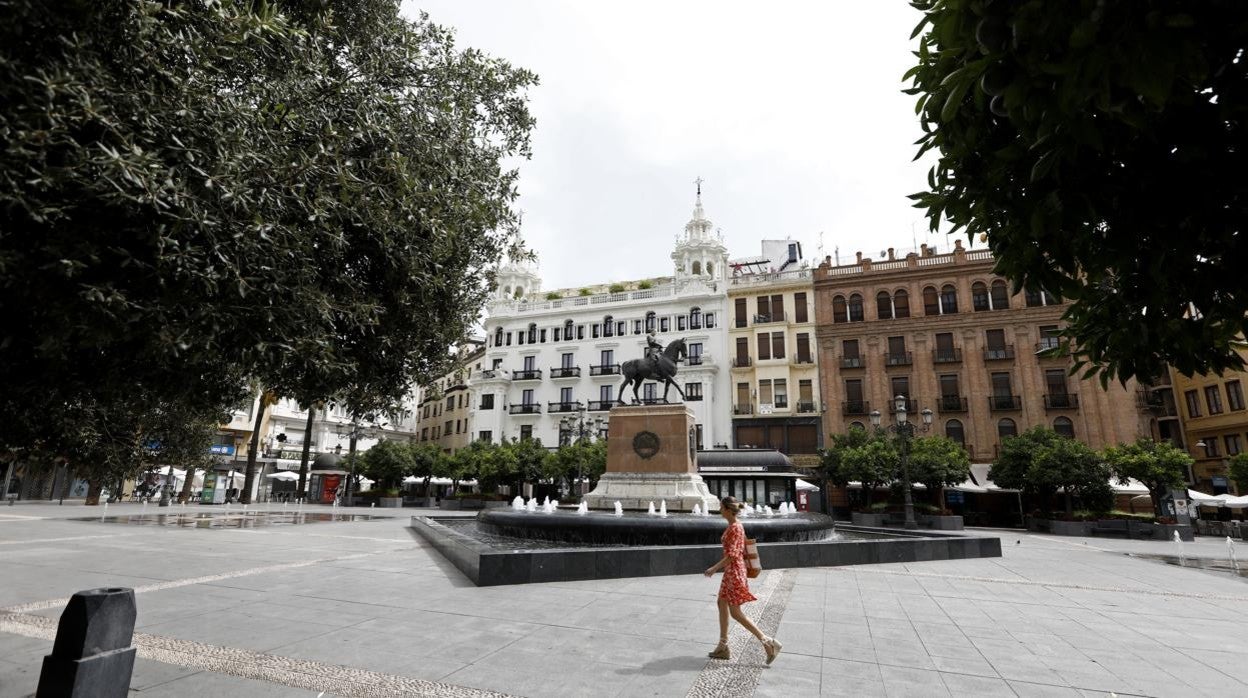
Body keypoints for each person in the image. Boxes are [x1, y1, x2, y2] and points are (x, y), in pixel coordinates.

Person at [703, 495, 781, 664]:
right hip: (732, 572)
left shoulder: (735, 528)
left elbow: (733, 554)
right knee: (721, 603)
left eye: (721, 507)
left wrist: (714, 568)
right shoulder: (734, 525)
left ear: (727, 509)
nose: (719, 510)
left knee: (736, 613)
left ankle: (767, 642)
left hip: (734, 572)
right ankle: (723, 645)